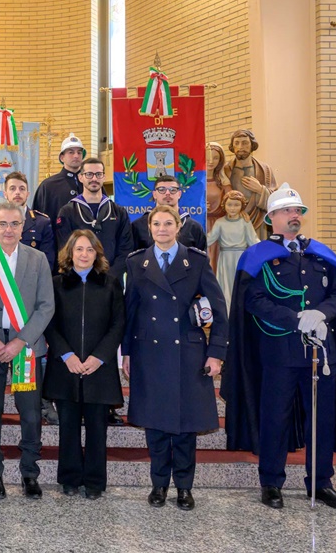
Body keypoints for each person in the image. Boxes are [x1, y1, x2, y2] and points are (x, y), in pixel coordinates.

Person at [222, 184, 336, 512]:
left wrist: (321, 313)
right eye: (288, 211)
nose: (295, 216)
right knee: (275, 417)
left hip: (322, 353)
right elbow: (253, 300)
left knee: (322, 419)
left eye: (298, 211)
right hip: (280, 351)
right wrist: (295, 319)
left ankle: (321, 482)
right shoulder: (259, 257)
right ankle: (271, 481)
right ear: (271, 218)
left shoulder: (320, 253)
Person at [121, 205, 228, 511]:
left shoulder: (195, 260)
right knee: (155, 426)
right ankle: (158, 485)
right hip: (148, 352)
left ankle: (183, 487)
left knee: (184, 427)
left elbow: (219, 310)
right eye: (157, 223)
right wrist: (126, 352)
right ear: (150, 227)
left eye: (169, 223)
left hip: (188, 352)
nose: (163, 229)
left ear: (178, 226)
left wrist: (216, 353)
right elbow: (131, 312)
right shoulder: (136, 262)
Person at [0, 202, 55, 500]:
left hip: (26, 348)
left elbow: (46, 306)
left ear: (23, 227)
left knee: (30, 413)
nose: (8, 230)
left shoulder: (38, 258)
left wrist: (21, 341)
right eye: (2, 224)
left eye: (14, 224)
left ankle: (30, 472)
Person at [44, 230, 125, 499]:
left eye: (89, 249)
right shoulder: (56, 284)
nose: (84, 254)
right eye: (78, 249)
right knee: (68, 427)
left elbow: (118, 324)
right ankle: (69, 478)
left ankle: (94, 481)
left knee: (97, 429)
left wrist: (98, 357)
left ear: (97, 253)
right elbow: (50, 324)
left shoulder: (110, 284)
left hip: (98, 368)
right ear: (70, 253)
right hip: (66, 367)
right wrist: (66, 355)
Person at [55, 158, 133, 279]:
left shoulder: (119, 212)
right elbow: (65, 248)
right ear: (81, 177)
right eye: (89, 174)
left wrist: (110, 277)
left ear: (104, 177)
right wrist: (84, 276)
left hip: (112, 281)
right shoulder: (67, 212)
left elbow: (126, 249)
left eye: (98, 174)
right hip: (78, 281)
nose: (94, 179)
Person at [0, 171, 56, 269]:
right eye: (12, 188)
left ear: (27, 194)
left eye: (22, 189)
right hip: (1, 279)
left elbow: (47, 261)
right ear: (5, 194)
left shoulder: (42, 222)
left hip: (31, 279)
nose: (17, 192)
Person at [206, 190, 258, 310]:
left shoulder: (245, 222)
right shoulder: (220, 223)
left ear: (242, 206)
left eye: (236, 205)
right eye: (230, 204)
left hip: (241, 258)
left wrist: (264, 253)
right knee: (226, 288)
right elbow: (210, 239)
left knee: (240, 286)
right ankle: (227, 315)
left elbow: (253, 240)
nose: (233, 208)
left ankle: (240, 314)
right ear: (224, 205)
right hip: (225, 258)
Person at [224, 129, 278, 240]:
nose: (240, 147)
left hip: (258, 223)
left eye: (245, 143)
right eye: (237, 143)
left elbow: (276, 200)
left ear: (252, 144)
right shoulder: (226, 170)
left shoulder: (265, 170)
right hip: (233, 223)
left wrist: (260, 190)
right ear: (232, 146)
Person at [130, 175, 207, 251]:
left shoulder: (194, 227)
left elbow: (202, 260)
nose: (167, 193)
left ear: (179, 194)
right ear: (154, 194)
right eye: (161, 189)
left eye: (173, 190)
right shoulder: (138, 225)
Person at [32, 133, 86, 227]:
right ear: (62, 157)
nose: (76, 156)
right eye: (71, 152)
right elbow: (38, 221)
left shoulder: (91, 183)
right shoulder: (48, 186)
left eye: (79, 152)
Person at [205, 142, 232, 232]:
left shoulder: (224, 182)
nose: (211, 161)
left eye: (216, 158)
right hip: (200, 223)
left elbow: (231, 202)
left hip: (220, 226)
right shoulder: (194, 182)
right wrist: (200, 206)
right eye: (207, 157)